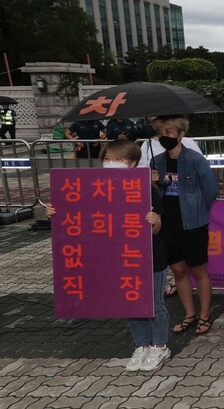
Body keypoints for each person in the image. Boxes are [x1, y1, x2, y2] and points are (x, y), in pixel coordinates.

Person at [47, 139, 171, 371]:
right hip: (122, 258)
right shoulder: (97, 189)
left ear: (133, 163)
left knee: (154, 304)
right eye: (108, 159)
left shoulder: (147, 190)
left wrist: (153, 221)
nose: (112, 163)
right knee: (131, 302)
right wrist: (56, 210)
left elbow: (158, 228)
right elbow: (78, 213)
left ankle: (160, 347)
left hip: (150, 258)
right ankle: (141, 346)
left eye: (119, 159)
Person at [151, 116, 218, 335]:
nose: (164, 136)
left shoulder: (195, 160)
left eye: (169, 132)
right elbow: (153, 195)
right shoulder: (156, 161)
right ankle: (189, 313)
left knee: (199, 270)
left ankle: (205, 315)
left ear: (181, 134)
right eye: (160, 132)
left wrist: (197, 208)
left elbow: (210, 191)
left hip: (193, 224)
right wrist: (152, 182)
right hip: (168, 225)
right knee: (178, 271)